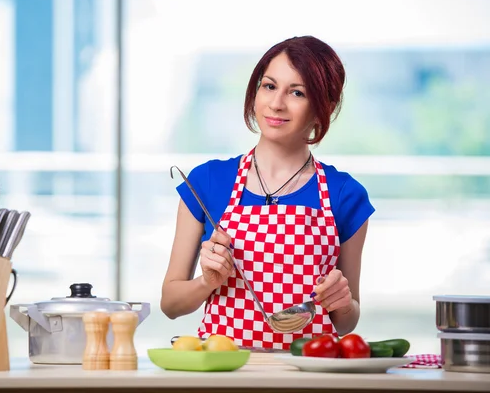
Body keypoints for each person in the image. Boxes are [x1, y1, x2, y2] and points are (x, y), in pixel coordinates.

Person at [160, 36, 375, 350]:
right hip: (225, 370)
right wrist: (208, 281)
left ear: (322, 107)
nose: (276, 104)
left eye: (297, 92)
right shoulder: (208, 181)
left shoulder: (345, 194)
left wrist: (342, 301)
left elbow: (346, 321)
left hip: (310, 370)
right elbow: (170, 304)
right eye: (269, 86)